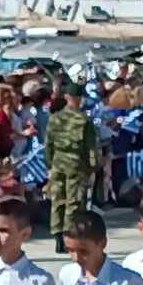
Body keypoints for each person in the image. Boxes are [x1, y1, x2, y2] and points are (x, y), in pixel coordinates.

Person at [46, 83, 97, 241]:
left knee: (57, 198)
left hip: (58, 161)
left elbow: (48, 144)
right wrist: (93, 167)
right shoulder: (84, 120)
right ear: (79, 98)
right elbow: (90, 147)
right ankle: (69, 233)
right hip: (77, 163)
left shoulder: (54, 118)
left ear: (66, 97)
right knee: (74, 201)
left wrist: (49, 164)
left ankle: (57, 234)